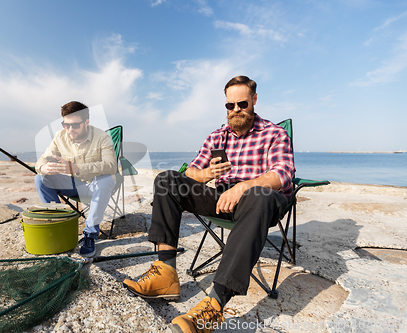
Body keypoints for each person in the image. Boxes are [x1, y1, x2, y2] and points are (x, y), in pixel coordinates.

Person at [123, 76, 295, 332]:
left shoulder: (274, 133)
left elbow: (282, 174)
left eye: (242, 104)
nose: (236, 110)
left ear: (254, 100)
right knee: (167, 180)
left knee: (259, 196)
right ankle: (166, 273)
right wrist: (208, 174)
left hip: (261, 201)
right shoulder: (217, 136)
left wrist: (243, 186)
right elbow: (191, 173)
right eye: (230, 105)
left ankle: (214, 305)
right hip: (222, 198)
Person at [35, 101, 117, 257]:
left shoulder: (102, 137)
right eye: (66, 125)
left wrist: (76, 168)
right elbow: (43, 159)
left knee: (107, 179)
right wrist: (42, 168)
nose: (70, 129)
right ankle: (58, 226)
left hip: (96, 185)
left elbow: (111, 165)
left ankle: (90, 235)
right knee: (40, 179)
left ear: (86, 122)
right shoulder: (60, 136)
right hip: (74, 184)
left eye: (75, 125)